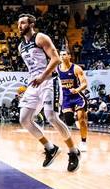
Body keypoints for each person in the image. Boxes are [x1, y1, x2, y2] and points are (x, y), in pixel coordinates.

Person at [16, 14, 81, 172]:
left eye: (23, 23)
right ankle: (50, 148)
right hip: (35, 83)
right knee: (24, 119)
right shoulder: (20, 46)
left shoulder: (40, 38)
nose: (20, 26)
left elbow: (56, 59)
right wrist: (35, 79)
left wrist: (42, 76)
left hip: (49, 81)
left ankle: (73, 152)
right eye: (18, 23)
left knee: (51, 116)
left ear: (31, 24)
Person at [58, 49, 89, 151]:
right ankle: (74, 118)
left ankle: (83, 142)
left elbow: (84, 84)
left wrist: (77, 89)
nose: (62, 56)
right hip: (66, 98)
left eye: (64, 54)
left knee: (82, 120)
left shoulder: (76, 68)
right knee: (69, 121)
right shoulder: (57, 69)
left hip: (77, 97)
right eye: (61, 55)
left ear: (69, 56)